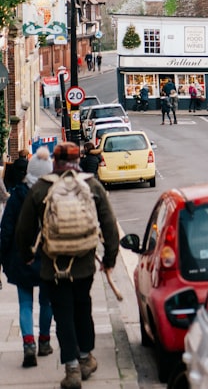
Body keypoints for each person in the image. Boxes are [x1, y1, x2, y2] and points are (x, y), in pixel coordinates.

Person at [15, 142, 119, 389]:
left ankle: (71, 369)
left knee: (62, 314)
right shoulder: (91, 185)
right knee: (83, 308)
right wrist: (109, 259)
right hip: (83, 264)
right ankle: (86, 358)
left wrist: (27, 254)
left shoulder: (41, 188)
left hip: (53, 265)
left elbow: (23, 229)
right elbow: (109, 225)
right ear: (76, 161)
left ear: (55, 163)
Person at [1, 158, 54, 368]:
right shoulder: (52, 195)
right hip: (48, 257)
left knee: (25, 303)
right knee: (46, 302)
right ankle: (44, 341)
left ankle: (28, 344)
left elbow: (6, 229)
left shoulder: (16, 196)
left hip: (22, 256)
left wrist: (3, 255)